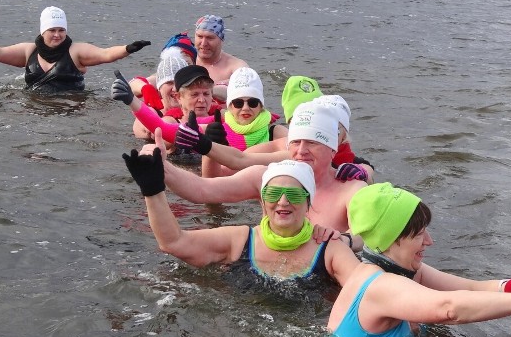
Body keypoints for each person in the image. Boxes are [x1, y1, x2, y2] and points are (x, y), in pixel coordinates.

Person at [326, 183, 511, 337]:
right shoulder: (380, 285)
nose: (430, 241)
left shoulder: (400, 270)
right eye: (420, 234)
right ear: (391, 239)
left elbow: (469, 288)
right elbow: (450, 308)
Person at [121, 154, 360, 295]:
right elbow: (174, 242)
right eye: (274, 194)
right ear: (263, 201)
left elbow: (365, 286)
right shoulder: (240, 240)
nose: (283, 202)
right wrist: (152, 191)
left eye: (294, 195)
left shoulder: (329, 247)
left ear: (309, 203)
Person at [142, 103, 367, 235]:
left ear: (333, 150)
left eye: (313, 143)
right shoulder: (267, 178)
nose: (301, 151)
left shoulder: (352, 190)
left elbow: (366, 238)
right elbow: (202, 190)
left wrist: (343, 239)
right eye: (296, 142)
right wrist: (162, 167)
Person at [189, 76, 374, 182]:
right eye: (302, 125)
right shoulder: (288, 153)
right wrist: (208, 147)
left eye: (331, 127)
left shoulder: (354, 166)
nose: (303, 146)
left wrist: (366, 172)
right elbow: (233, 165)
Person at [0, 6, 150, 92]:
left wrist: (129, 48)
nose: (57, 34)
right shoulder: (29, 51)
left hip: (69, 107)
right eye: (52, 30)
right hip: (36, 106)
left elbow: (106, 54)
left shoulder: (76, 51)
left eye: (61, 30)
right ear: (42, 31)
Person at [112, 64, 221, 150]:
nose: (202, 100)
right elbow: (161, 129)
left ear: (212, 95)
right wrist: (132, 100)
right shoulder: (171, 122)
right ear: (178, 97)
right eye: (194, 94)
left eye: (206, 94)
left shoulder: (222, 116)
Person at [128, 32, 198, 105]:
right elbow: (131, 85)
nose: (179, 66)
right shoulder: (161, 76)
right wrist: (144, 88)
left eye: (187, 63)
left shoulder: (199, 78)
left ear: (194, 63)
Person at [193, 14, 248, 102]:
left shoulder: (237, 67)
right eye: (200, 36)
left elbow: (244, 92)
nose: (203, 43)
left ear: (221, 40)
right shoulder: (186, 60)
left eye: (210, 38)